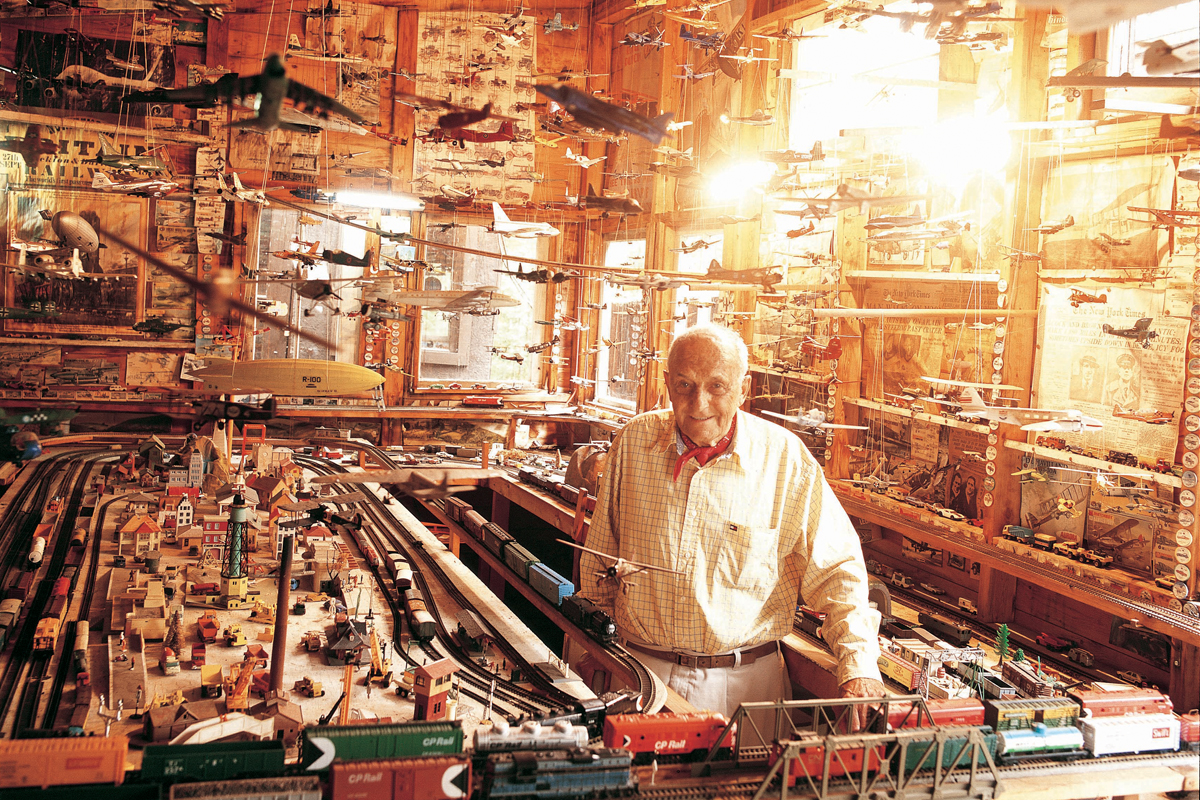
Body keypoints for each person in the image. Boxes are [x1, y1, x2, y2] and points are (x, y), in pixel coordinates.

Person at [580, 324, 883, 717]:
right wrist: (592, 648)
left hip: (746, 686)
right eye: (685, 385)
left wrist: (858, 666)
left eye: (717, 386)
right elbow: (599, 564)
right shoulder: (634, 442)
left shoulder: (786, 461)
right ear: (668, 383)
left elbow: (839, 573)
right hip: (639, 672)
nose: (698, 403)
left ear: (745, 388)